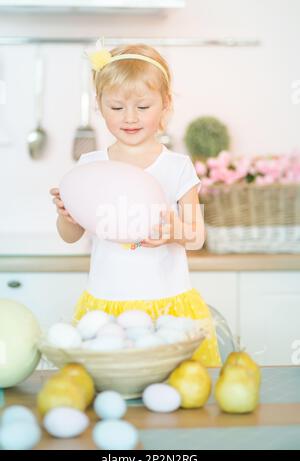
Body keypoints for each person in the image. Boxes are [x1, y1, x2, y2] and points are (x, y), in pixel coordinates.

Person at [50, 40, 221, 367]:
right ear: (99, 105)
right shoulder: (89, 165)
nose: (130, 118)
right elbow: (70, 236)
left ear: (165, 103)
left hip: (167, 305)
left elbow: (197, 237)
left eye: (143, 107)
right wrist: (66, 215)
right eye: (116, 107)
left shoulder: (177, 166)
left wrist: (174, 233)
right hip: (107, 306)